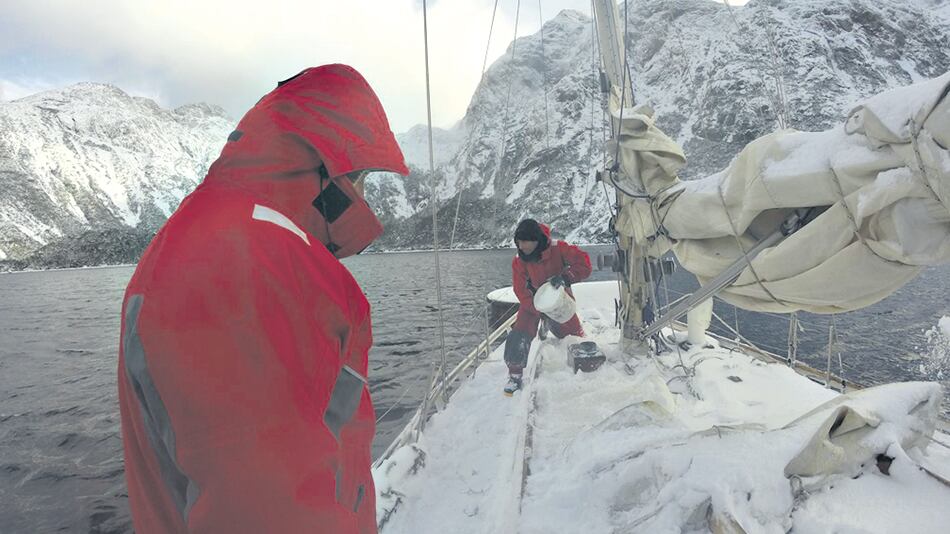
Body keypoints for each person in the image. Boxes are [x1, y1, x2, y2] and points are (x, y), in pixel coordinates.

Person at [117, 65, 408, 533]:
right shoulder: (258, 264)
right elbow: (272, 510)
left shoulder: (213, 237)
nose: (363, 196)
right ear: (327, 168)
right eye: (361, 179)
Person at [503, 218, 592, 395]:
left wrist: (566, 277)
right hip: (532, 302)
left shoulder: (559, 248)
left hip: (559, 300)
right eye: (518, 242)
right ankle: (514, 375)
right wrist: (538, 309)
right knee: (519, 334)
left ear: (536, 240)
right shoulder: (519, 260)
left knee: (575, 337)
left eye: (524, 242)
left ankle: (584, 373)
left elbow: (585, 264)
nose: (521, 246)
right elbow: (520, 289)